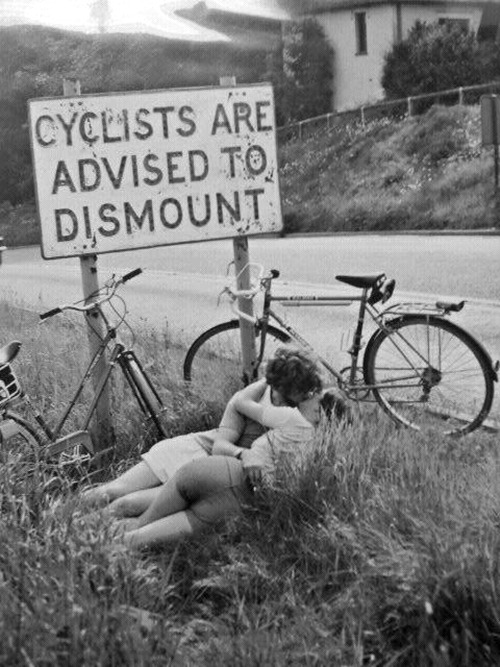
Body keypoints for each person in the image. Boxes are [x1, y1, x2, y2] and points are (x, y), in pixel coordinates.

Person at [83, 346, 324, 519]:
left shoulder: (308, 408)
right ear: (277, 387)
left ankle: (79, 532)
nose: (294, 404)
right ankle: (60, 517)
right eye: (291, 395)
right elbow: (220, 446)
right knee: (114, 491)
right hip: (199, 450)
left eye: (304, 395)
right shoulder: (248, 399)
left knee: (126, 505)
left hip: (212, 474)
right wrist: (247, 455)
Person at [119, 376, 324, 549]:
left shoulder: (289, 418)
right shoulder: (310, 437)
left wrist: (266, 379)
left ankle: (90, 528)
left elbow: (241, 401)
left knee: (132, 514)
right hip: (232, 491)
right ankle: (96, 543)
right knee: (135, 538)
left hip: (207, 468)